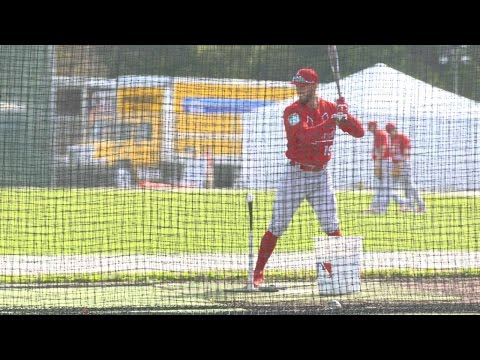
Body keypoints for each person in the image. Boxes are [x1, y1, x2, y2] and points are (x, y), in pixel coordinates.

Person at [252, 68, 365, 288]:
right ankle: (258, 271)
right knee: (278, 225)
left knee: (332, 225)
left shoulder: (329, 109)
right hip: (296, 175)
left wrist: (345, 114)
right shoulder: (292, 111)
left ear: (314, 86)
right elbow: (304, 137)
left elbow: (359, 132)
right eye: (297, 85)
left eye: (303, 85)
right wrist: (333, 120)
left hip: (321, 175)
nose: (299, 89)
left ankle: (340, 271)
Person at [385, 122, 426, 213]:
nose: (392, 132)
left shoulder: (403, 137)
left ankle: (420, 206)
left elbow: (406, 152)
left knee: (409, 186)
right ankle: (407, 205)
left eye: (393, 129)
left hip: (404, 164)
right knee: (392, 186)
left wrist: (401, 163)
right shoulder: (390, 139)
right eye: (390, 131)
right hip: (395, 165)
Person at [365, 121, 398, 214]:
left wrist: (377, 163)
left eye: (369, 127)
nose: (369, 129)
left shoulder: (380, 134)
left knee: (385, 187)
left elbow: (382, 148)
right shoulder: (378, 134)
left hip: (384, 162)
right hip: (383, 162)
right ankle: (375, 207)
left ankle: (381, 209)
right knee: (380, 186)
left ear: (373, 127)